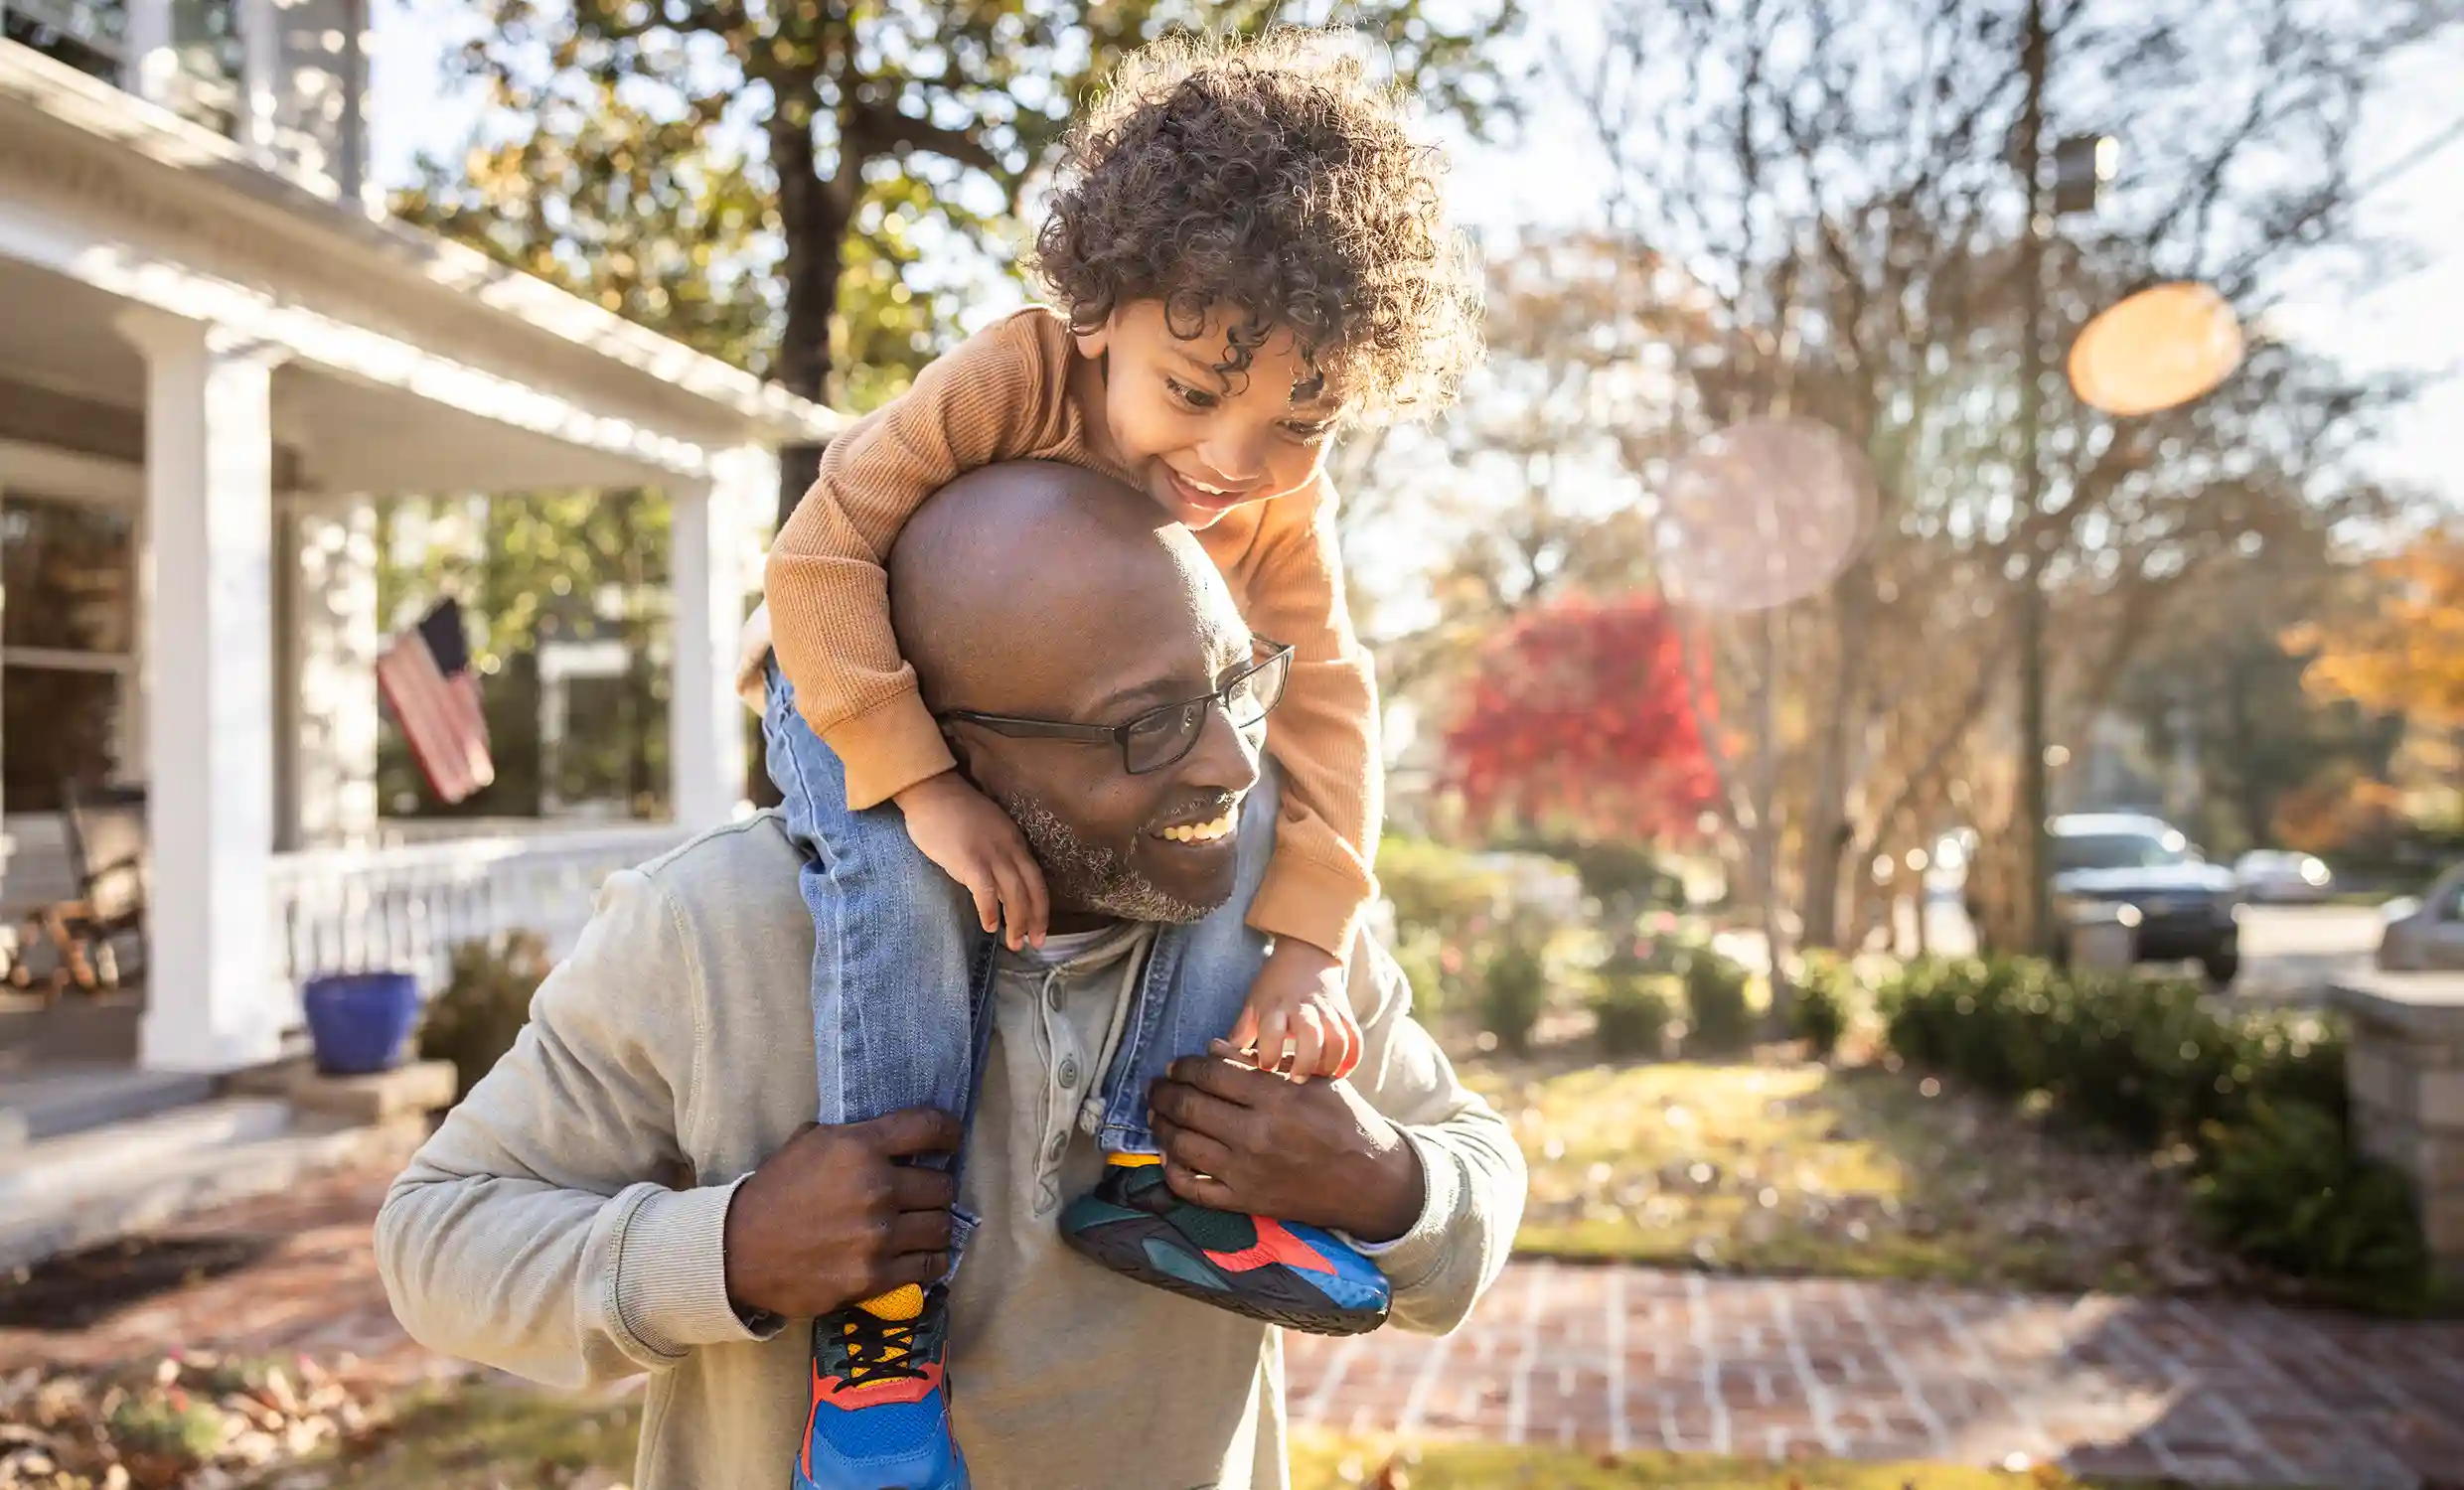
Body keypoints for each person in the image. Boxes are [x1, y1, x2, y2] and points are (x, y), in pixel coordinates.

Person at [377, 463, 1525, 1490]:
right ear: (948, 751)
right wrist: (724, 1253)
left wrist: (1383, 1183)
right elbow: (436, 1243)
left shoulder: (1281, 929)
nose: (1230, 762)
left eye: (1234, 689)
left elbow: (1473, 1190)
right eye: (1149, 726)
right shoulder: (711, 928)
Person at [741, 30, 1483, 1449]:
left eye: (1300, 419)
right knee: (899, 887)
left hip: (1107, 739)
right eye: (1197, 392)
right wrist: (927, 787)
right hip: (859, 675)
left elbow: (1323, 688)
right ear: (1097, 310)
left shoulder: (1266, 502)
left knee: (1230, 807)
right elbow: (819, 557)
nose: (1237, 460)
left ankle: (1152, 1168)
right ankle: (883, 1317)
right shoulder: (1007, 379)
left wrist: (1314, 936)